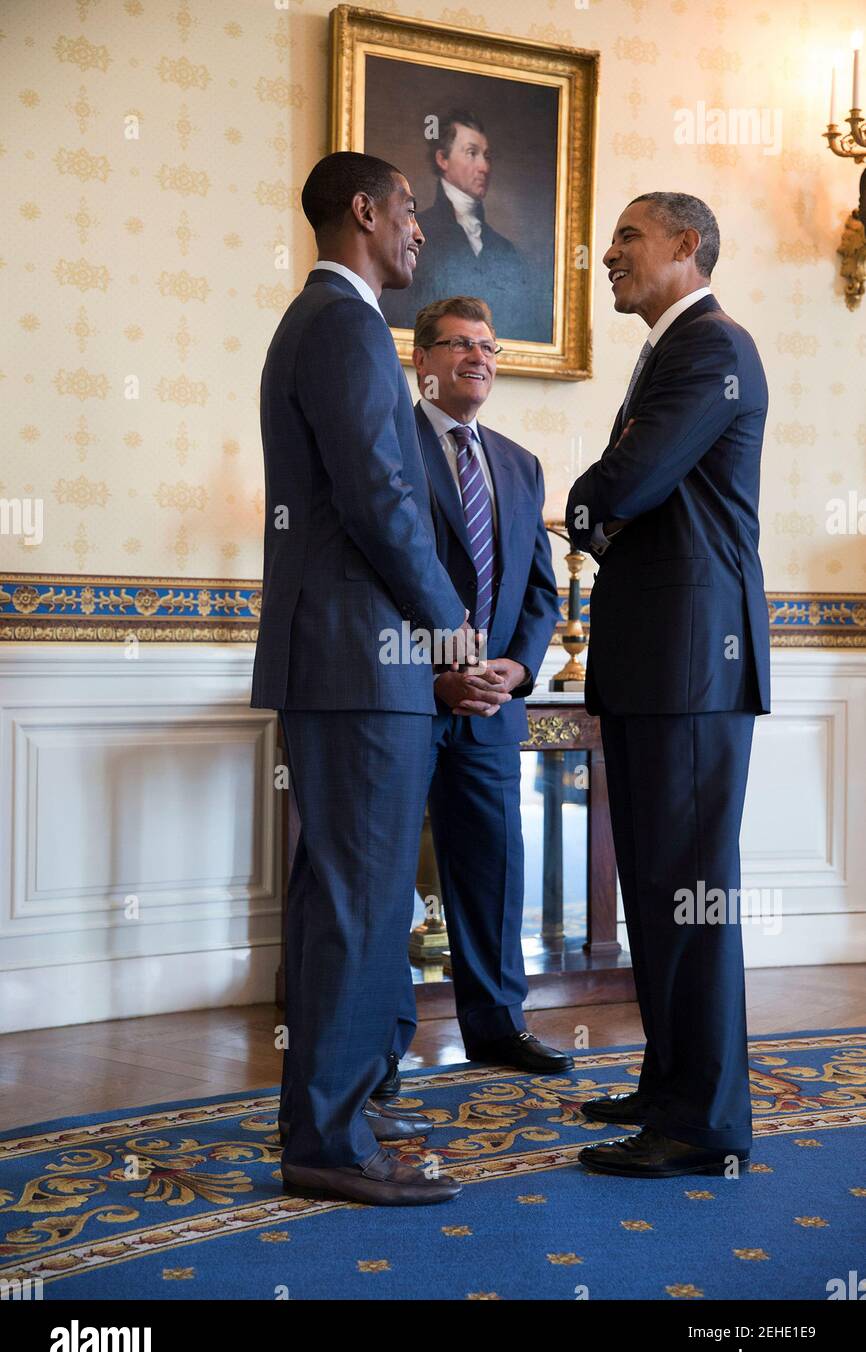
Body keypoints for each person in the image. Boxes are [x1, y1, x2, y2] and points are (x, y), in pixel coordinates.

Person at [250, 151, 470, 1206]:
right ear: (365, 209)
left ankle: (327, 1118)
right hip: (355, 652)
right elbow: (381, 500)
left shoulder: (330, 322)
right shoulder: (340, 324)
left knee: (346, 896)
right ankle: (330, 1146)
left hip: (348, 654)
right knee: (355, 898)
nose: (420, 232)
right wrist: (451, 630)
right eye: (411, 211)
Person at [566, 192, 770, 1178]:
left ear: (686, 247)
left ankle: (703, 1121)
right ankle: (667, 1084)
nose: (608, 256)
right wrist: (602, 506)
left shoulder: (710, 348)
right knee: (657, 889)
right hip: (661, 664)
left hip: (694, 664)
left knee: (690, 891)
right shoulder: (672, 350)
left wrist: (585, 502)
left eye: (627, 240)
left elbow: (628, 480)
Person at [371, 296, 564, 1099]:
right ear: (423, 360)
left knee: (493, 868)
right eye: (458, 345)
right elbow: (379, 582)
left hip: (492, 708)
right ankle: (380, 1047)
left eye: (489, 346)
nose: (479, 357)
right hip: (409, 699)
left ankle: (497, 1023)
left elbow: (541, 593)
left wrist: (517, 670)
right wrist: (434, 675)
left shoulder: (520, 465)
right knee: (384, 879)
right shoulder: (388, 449)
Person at [380, 111, 550, 342]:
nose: (484, 167)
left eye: (487, 156)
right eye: (472, 153)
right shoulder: (411, 239)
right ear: (442, 159)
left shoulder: (506, 251)